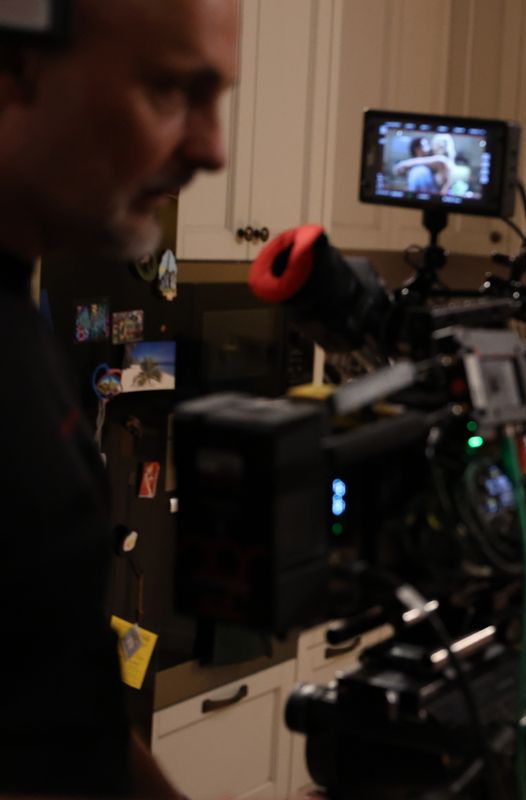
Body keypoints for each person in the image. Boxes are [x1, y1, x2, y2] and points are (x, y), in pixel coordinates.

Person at [0, 0, 236, 795]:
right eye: (170, 90)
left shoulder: (20, 315)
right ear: (19, 63)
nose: (213, 149)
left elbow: (62, 711)